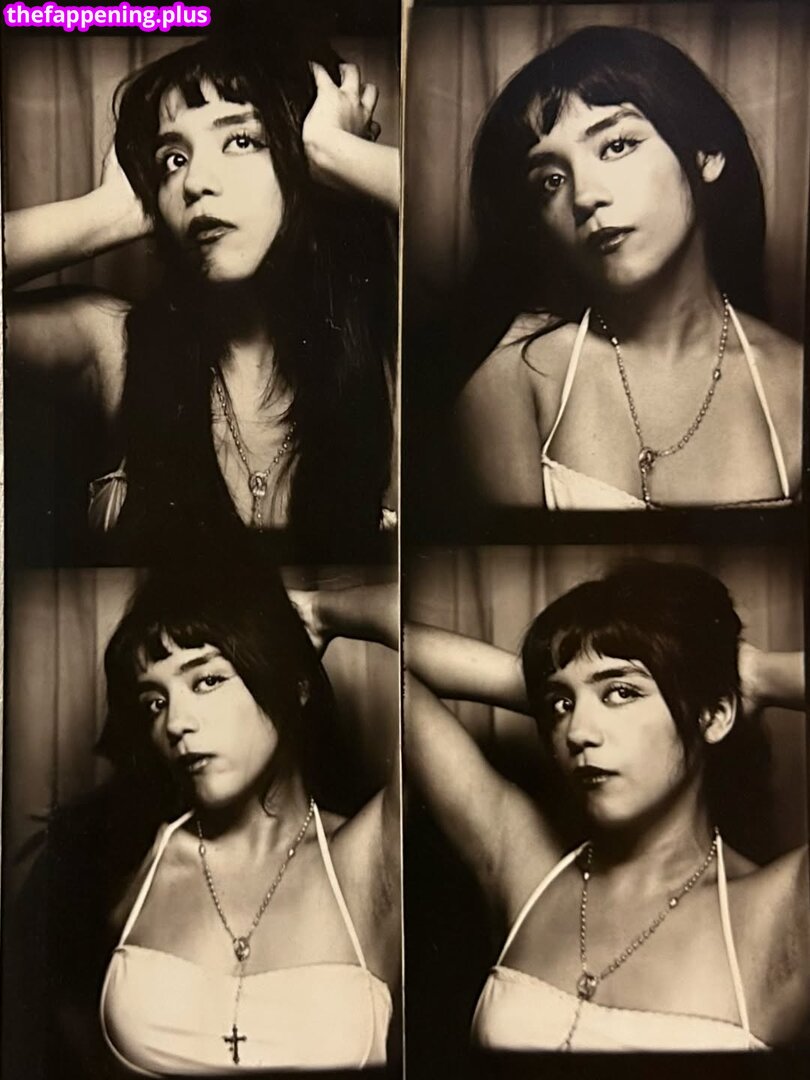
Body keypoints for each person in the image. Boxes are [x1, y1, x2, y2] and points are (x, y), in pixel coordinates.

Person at [4, 13, 398, 559]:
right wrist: (108, 214)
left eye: (241, 140)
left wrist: (337, 152)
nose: (194, 183)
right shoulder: (115, 345)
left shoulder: (395, 369)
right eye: (173, 159)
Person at [3, 563, 400, 1077]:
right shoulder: (122, 860)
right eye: (155, 701)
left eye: (207, 680)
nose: (175, 723)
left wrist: (321, 611)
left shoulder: (373, 851)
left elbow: (496, 678)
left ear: (295, 683)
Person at [399, 560, 807, 1051]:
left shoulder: (781, 909)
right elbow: (396, 660)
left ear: (715, 715)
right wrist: (554, 675)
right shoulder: (527, 873)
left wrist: (756, 676)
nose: (577, 733)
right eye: (561, 706)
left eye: (621, 692)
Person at [457, 26, 802, 509]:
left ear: (706, 153)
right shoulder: (514, 381)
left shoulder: (795, 382)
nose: (584, 196)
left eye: (616, 145)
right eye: (552, 179)